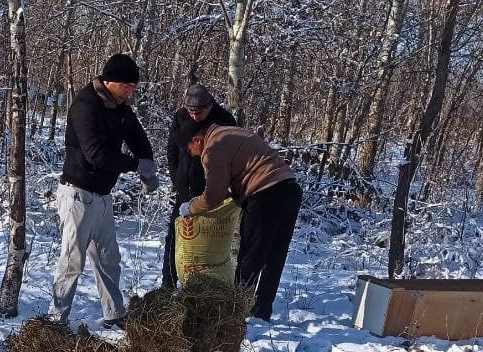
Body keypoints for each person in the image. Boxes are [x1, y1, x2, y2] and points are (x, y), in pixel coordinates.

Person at [49, 53, 158, 329]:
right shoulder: (86, 105)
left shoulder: (121, 108)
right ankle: (56, 320)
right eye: (127, 86)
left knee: (110, 260)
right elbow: (95, 154)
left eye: (133, 88)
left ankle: (114, 314)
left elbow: (138, 138)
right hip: (78, 194)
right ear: (110, 81)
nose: (130, 92)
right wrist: (135, 165)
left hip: (102, 196)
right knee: (72, 261)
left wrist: (148, 165)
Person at [181, 124, 302, 321]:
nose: (194, 155)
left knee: (251, 257)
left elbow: (213, 196)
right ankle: (262, 311)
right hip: (290, 189)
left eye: (191, 150)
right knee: (275, 256)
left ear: (197, 140)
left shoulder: (212, 148)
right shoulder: (231, 132)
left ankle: (236, 312)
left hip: (265, 196)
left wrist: (191, 207)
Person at [162, 84, 237, 287]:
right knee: (175, 235)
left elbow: (231, 158)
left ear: (210, 106)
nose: (194, 116)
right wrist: (176, 178)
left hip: (211, 190)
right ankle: (168, 283)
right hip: (184, 187)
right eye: (191, 112)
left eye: (200, 113)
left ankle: (206, 284)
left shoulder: (225, 120)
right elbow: (172, 150)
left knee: (209, 237)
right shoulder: (180, 117)